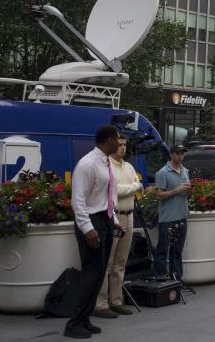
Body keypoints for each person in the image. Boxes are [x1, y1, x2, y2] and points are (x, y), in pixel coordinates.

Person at [65, 125, 123, 339]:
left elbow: (106, 196)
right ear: (108, 140)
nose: (120, 143)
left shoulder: (106, 162)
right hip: (92, 222)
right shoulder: (87, 164)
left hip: (105, 220)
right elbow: (78, 200)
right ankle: (73, 324)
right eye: (118, 139)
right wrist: (87, 228)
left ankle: (84, 319)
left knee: (99, 274)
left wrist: (114, 220)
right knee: (90, 274)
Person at [93, 134, 142, 318]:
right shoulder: (107, 166)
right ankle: (101, 303)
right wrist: (134, 187)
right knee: (107, 261)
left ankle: (116, 300)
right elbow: (115, 191)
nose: (122, 148)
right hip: (114, 216)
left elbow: (136, 184)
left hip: (129, 216)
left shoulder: (128, 166)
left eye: (124, 145)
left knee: (120, 262)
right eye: (119, 144)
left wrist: (132, 187)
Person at [154, 145, 191, 280]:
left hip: (182, 215)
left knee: (177, 250)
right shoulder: (163, 172)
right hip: (168, 217)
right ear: (171, 154)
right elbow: (158, 195)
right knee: (163, 249)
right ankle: (161, 278)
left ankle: (176, 278)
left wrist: (189, 191)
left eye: (182, 153)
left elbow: (186, 192)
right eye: (178, 153)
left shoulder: (185, 171)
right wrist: (177, 190)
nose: (181, 156)